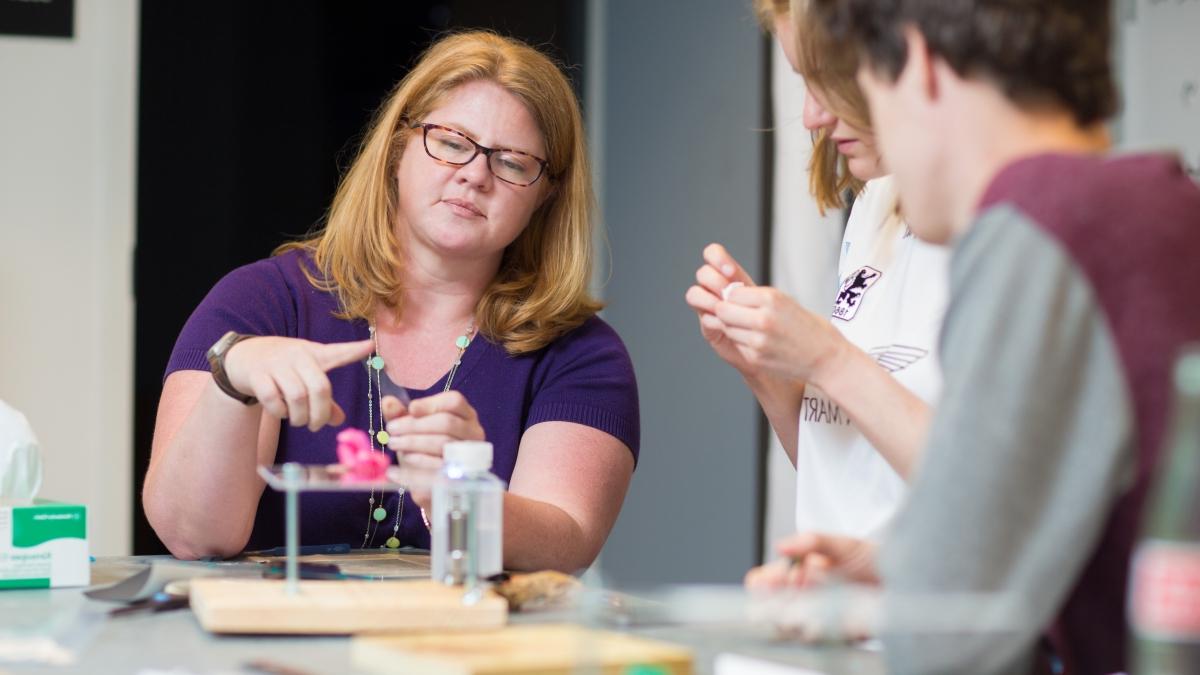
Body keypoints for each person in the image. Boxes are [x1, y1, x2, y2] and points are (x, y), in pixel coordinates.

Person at [769, 0, 1200, 671]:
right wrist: (894, 570)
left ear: (918, 65)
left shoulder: (1034, 226)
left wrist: (919, 590)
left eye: (869, 88)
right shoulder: (1163, 207)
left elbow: (951, 637)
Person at [143, 31, 639, 574]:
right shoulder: (260, 301)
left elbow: (566, 545)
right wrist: (231, 379)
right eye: (451, 142)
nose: (474, 174)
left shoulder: (581, 353)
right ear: (399, 148)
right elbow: (194, 536)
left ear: (545, 194)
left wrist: (462, 491)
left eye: (514, 162)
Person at [686, 0, 950, 567]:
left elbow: (989, 495)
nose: (810, 116)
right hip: (848, 627)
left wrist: (825, 356)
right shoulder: (877, 201)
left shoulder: (989, 224)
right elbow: (852, 470)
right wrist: (771, 373)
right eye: (802, 82)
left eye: (826, 79)